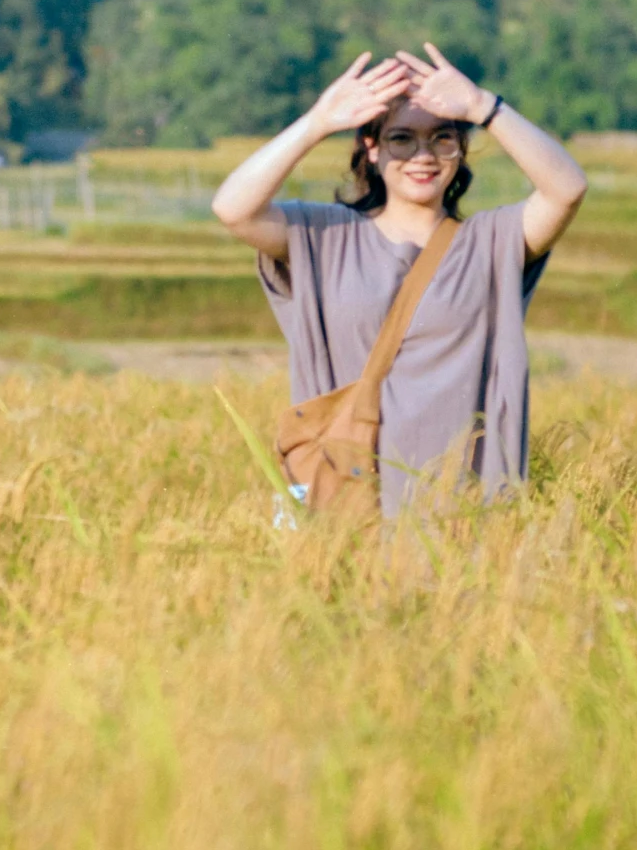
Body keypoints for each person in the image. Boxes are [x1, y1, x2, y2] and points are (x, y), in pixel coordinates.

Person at [211, 44, 589, 515]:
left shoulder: (491, 243)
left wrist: (483, 108)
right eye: (402, 139)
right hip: (346, 505)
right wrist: (317, 123)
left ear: (461, 149)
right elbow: (232, 208)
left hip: (463, 513)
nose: (423, 156)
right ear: (371, 148)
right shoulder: (325, 236)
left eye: (442, 138)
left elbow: (567, 189)